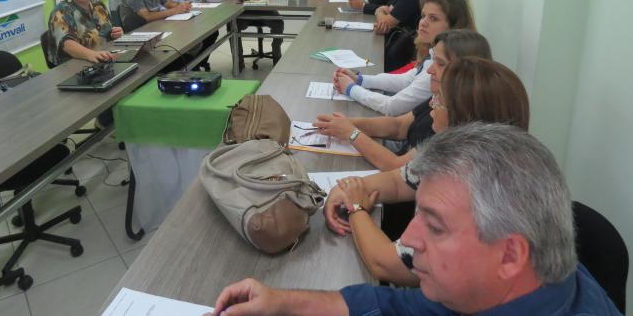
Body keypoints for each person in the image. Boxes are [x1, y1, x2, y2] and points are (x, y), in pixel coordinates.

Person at [207, 123, 621, 316]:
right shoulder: (494, 287)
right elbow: (390, 303)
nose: (408, 237)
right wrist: (281, 303)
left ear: (510, 254)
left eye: (435, 226)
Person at [324, 58, 530, 286]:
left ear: (464, 120)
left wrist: (356, 208)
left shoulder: (468, 190)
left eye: (439, 100)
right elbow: (397, 181)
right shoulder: (454, 153)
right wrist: (344, 188)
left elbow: (386, 264)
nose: (431, 105)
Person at [314, 30, 492, 171]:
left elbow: (396, 166)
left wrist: (351, 133)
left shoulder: (454, 122)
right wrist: (343, 124)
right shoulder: (439, 97)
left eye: (440, 63)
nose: (430, 71)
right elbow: (398, 126)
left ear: (467, 71)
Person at [333, 0, 475, 116]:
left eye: (433, 19)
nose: (423, 23)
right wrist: (360, 80)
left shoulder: (442, 67)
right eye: (423, 16)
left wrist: (351, 89)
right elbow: (405, 80)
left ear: (454, 26)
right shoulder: (433, 54)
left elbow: (392, 107)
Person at [47, 0, 122, 66]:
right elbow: (67, 44)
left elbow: (109, 32)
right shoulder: (61, 12)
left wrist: (117, 33)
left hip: (104, 61)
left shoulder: (98, 6)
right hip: (74, 69)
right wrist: (91, 54)